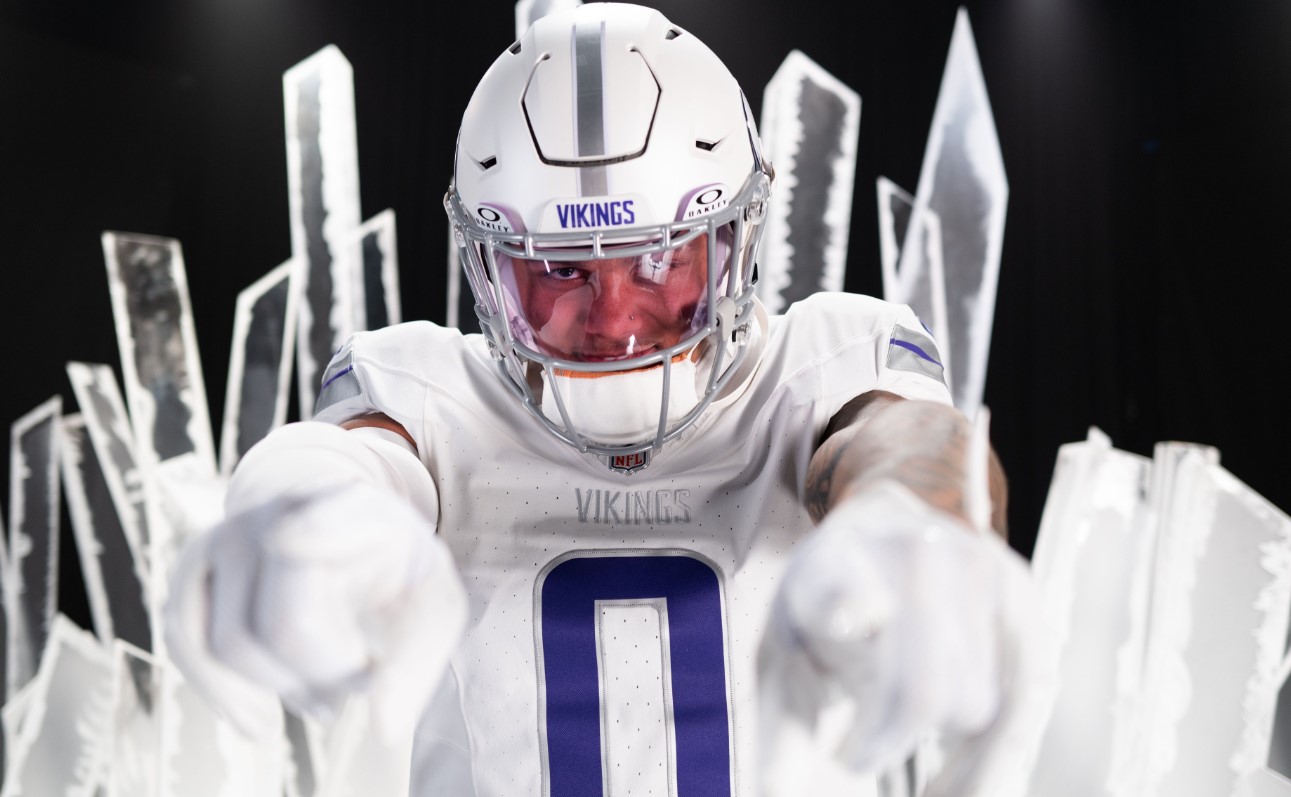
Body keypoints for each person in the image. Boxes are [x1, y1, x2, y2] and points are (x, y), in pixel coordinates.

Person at [166, 3, 1044, 795]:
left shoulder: (817, 368)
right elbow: (358, 455)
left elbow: (899, 435)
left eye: (660, 258)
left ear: (736, 240)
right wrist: (299, 500)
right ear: (488, 265)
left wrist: (911, 511)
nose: (614, 320)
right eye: (558, 269)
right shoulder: (431, 395)